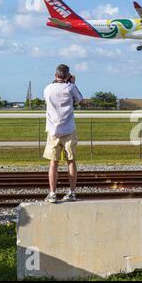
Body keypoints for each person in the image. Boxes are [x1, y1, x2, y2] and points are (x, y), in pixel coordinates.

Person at [43, 64, 84, 203]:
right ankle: (72, 192)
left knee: (53, 162)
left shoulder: (47, 88)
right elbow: (81, 100)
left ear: (55, 75)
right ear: (67, 76)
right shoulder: (70, 87)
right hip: (68, 129)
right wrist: (72, 83)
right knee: (71, 160)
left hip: (53, 130)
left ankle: (52, 193)